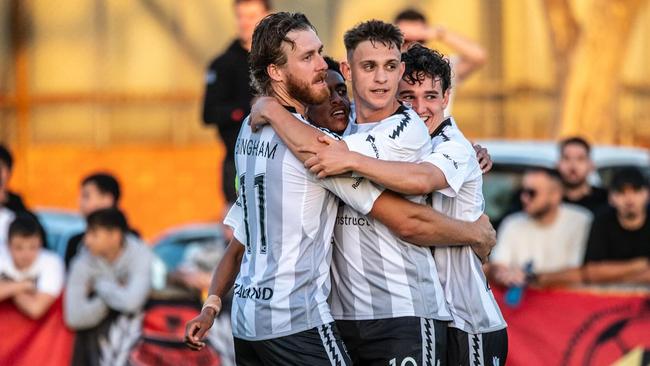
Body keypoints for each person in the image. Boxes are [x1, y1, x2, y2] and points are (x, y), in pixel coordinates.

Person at [184, 13, 496, 365]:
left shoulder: (251, 132)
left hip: (276, 320)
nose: (320, 66)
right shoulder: (317, 150)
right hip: (298, 320)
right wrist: (473, 233)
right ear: (276, 72)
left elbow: (242, 240)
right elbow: (407, 220)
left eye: (391, 66)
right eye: (308, 58)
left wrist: (212, 305)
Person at [303, 44, 507, 365]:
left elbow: (419, 189)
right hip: (420, 311)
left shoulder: (453, 148)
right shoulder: (394, 140)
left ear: (446, 98)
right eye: (409, 96)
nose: (420, 107)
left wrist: (348, 160)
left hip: (467, 317)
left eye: (430, 96)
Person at [202, 0, 271, 207]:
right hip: (238, 162)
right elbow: (208, 114)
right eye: (241, 16)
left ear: (268, 16)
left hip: (279, 161)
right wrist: (249, 110)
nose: (245, 23)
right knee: (238, 230)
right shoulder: (223, 64)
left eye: (252, 16)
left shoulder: (281, 59)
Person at [64, 207, 152, 366]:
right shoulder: (81, 262)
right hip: (93, 350)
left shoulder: (141, 254)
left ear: (115, 236)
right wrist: (114, 292)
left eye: (94, 234)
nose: (87, 240)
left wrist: (99, 285)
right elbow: (74, 318)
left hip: (134, 347)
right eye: (87, 233)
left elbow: (133, 304)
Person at [488, 168, 593, 287]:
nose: (524, 198)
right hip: (521, 301)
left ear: (555, 195)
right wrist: (503, 275)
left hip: (567, 301)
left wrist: (532, 278)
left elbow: (580, 272)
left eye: (531, 192)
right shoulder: (512, 223)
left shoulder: (580, 220)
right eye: (522, 191)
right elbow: (499, 265)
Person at [394, 8, 487, 116]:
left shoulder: (443, 68)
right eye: (406, 40)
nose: (412, 46)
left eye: (420, 40)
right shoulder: (385, 70)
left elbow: (478, 56)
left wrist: (440, 34)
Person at [582, 167, 650, 283]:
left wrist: (616, 274)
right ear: (611, 197)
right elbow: (592, 272)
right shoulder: (602, 220)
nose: (629, 199)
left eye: (636, 191)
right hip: (608, 296)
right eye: (621, 192)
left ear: (647, 194)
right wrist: (639, 265)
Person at [64, 173, 138, 269]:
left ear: (107, 199)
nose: (79, 202)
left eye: (86, 196)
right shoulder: (75, 243)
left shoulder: (131, 240)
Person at [0, 215, 64, 319]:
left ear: (40, 244)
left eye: (33, 247)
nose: (26, 254)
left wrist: (7, 288)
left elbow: (36, 309)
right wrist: (23, 285)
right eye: (19, 248)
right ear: (8, 245)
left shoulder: (52, 262)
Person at [557, 137, 609, 214]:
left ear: (591, 165)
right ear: (557, 165)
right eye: (566, 158)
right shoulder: (548, 201)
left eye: (580, 159)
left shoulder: (606, 200)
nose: (572, 166)